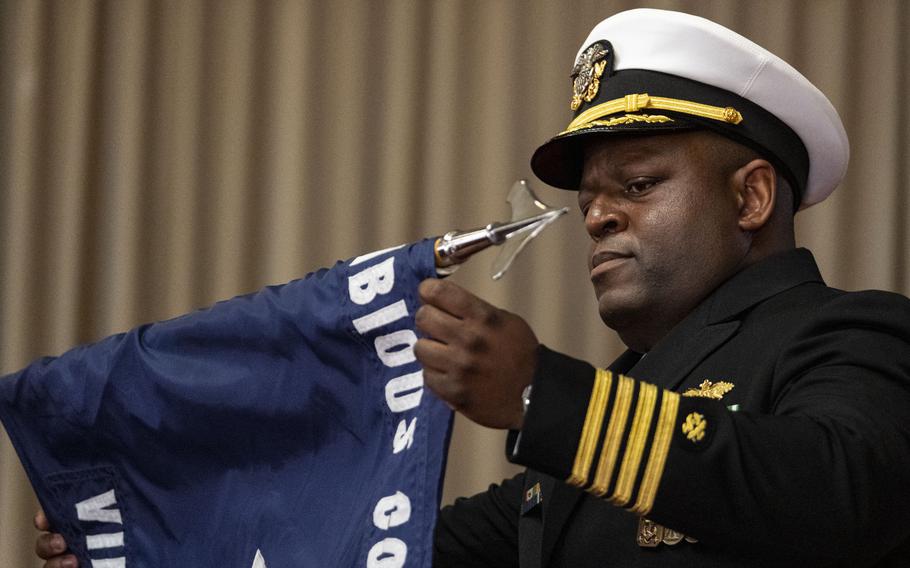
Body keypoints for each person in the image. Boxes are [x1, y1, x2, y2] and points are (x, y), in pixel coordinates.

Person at [35, 8, 910, 567]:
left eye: (637, 185)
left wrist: (538, 394)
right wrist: (157, 540)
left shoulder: (852, 334)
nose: (598, 216)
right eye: (591, 197)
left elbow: (842, 496)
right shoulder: (604, 424)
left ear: (752, 195)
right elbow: (386, 555)